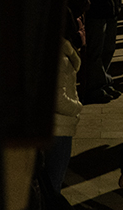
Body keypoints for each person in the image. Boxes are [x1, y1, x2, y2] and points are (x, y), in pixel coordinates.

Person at [44, 37, 83, 197]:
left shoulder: (57, 52)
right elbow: (58, 100)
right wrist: (77, 107)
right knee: (53, 185)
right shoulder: (61, 58)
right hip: (59, 129)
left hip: (54, 127)